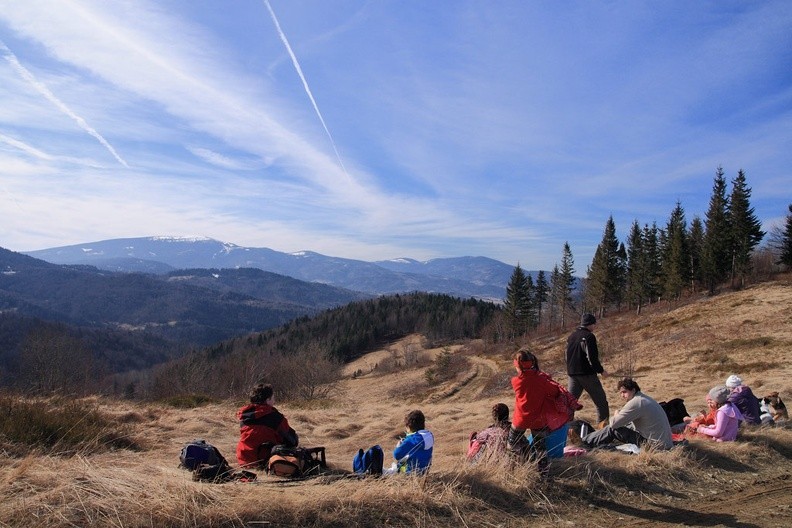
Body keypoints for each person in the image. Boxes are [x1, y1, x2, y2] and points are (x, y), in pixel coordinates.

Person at [508, 348, 579, 473]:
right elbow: (555, 391)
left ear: (518, 366)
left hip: (521, 419)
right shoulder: (541, 379)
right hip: (539, 419)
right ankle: (543, 474)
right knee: (541, 449)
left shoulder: (516, 381)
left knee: (512, 443)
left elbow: (528, 380)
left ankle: (513, 468)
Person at [582, 377, 673, 450]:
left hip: (655, 446)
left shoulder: (636, 402)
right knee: (626, 425)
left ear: (633, 390)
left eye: (625, 392)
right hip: (666, 444)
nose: (622, 395)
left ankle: (584, 442)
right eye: (621, 393)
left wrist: (616, 414)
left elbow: (614, 424)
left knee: (613, 429)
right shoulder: (644, 398)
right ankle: (591, 437)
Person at [236, 384, 298, 468]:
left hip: (244, 460)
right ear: (267, 400)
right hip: (266, 461)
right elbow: (291, 440)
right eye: (273, 398)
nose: (274, 401)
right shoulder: (276, 417)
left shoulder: (244, 416)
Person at [566, 313, 609, 425]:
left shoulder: (571, 336)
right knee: (601, 403)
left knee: (569, 404)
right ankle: (603, 429)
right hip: (587, 374)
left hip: (572, 374)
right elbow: (592, 357)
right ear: (591, 324)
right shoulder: (589, 337)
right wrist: (601, 370)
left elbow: (566, 356)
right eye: (594, 324)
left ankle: (566, 429)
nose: (595, 327)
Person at [391, 410, 434, 474]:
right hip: (424, 472)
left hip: (409, 473)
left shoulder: (410, 440)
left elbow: (397, 455)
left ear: (409, 427)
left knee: (399, 464)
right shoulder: (429, 436)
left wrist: (399, 446)